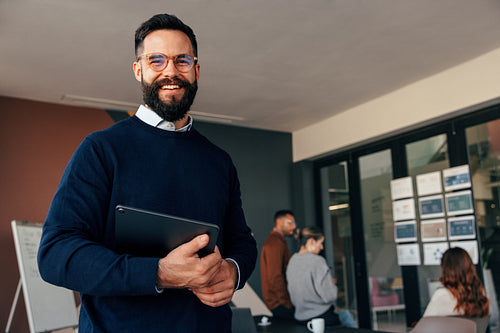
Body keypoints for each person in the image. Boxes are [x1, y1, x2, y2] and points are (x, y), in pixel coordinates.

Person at [37, 13, 257, 333]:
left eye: (182, 60)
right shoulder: (101, 149)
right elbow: (56, 254)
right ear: (139, 70)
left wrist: (234, 271)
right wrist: (159, 273)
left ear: (196, 70)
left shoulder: (219, 161)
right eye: (157, 60)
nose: (170, 70)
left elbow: (242, 241)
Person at [286, 226, 357, 328]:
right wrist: (331, 285)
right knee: (345, 315)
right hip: (321, 317)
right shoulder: (317, 261)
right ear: (311, 241)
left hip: (300, 318)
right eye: (320, 243)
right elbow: (330, 296)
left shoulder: (292, 261)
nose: (322, 247)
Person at [422, 247, 489, 318]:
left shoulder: (441, 295)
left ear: (446, 269)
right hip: (470, 329)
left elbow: (425, 324)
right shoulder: (479, 293)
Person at [260, 210, 297, 319]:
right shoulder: (274, 243)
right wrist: (286, 303)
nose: (294, 226)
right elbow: (275, 276)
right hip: (279, 304)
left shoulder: (279, 242)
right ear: (279, 222)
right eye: (290, 223)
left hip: (280, 302)